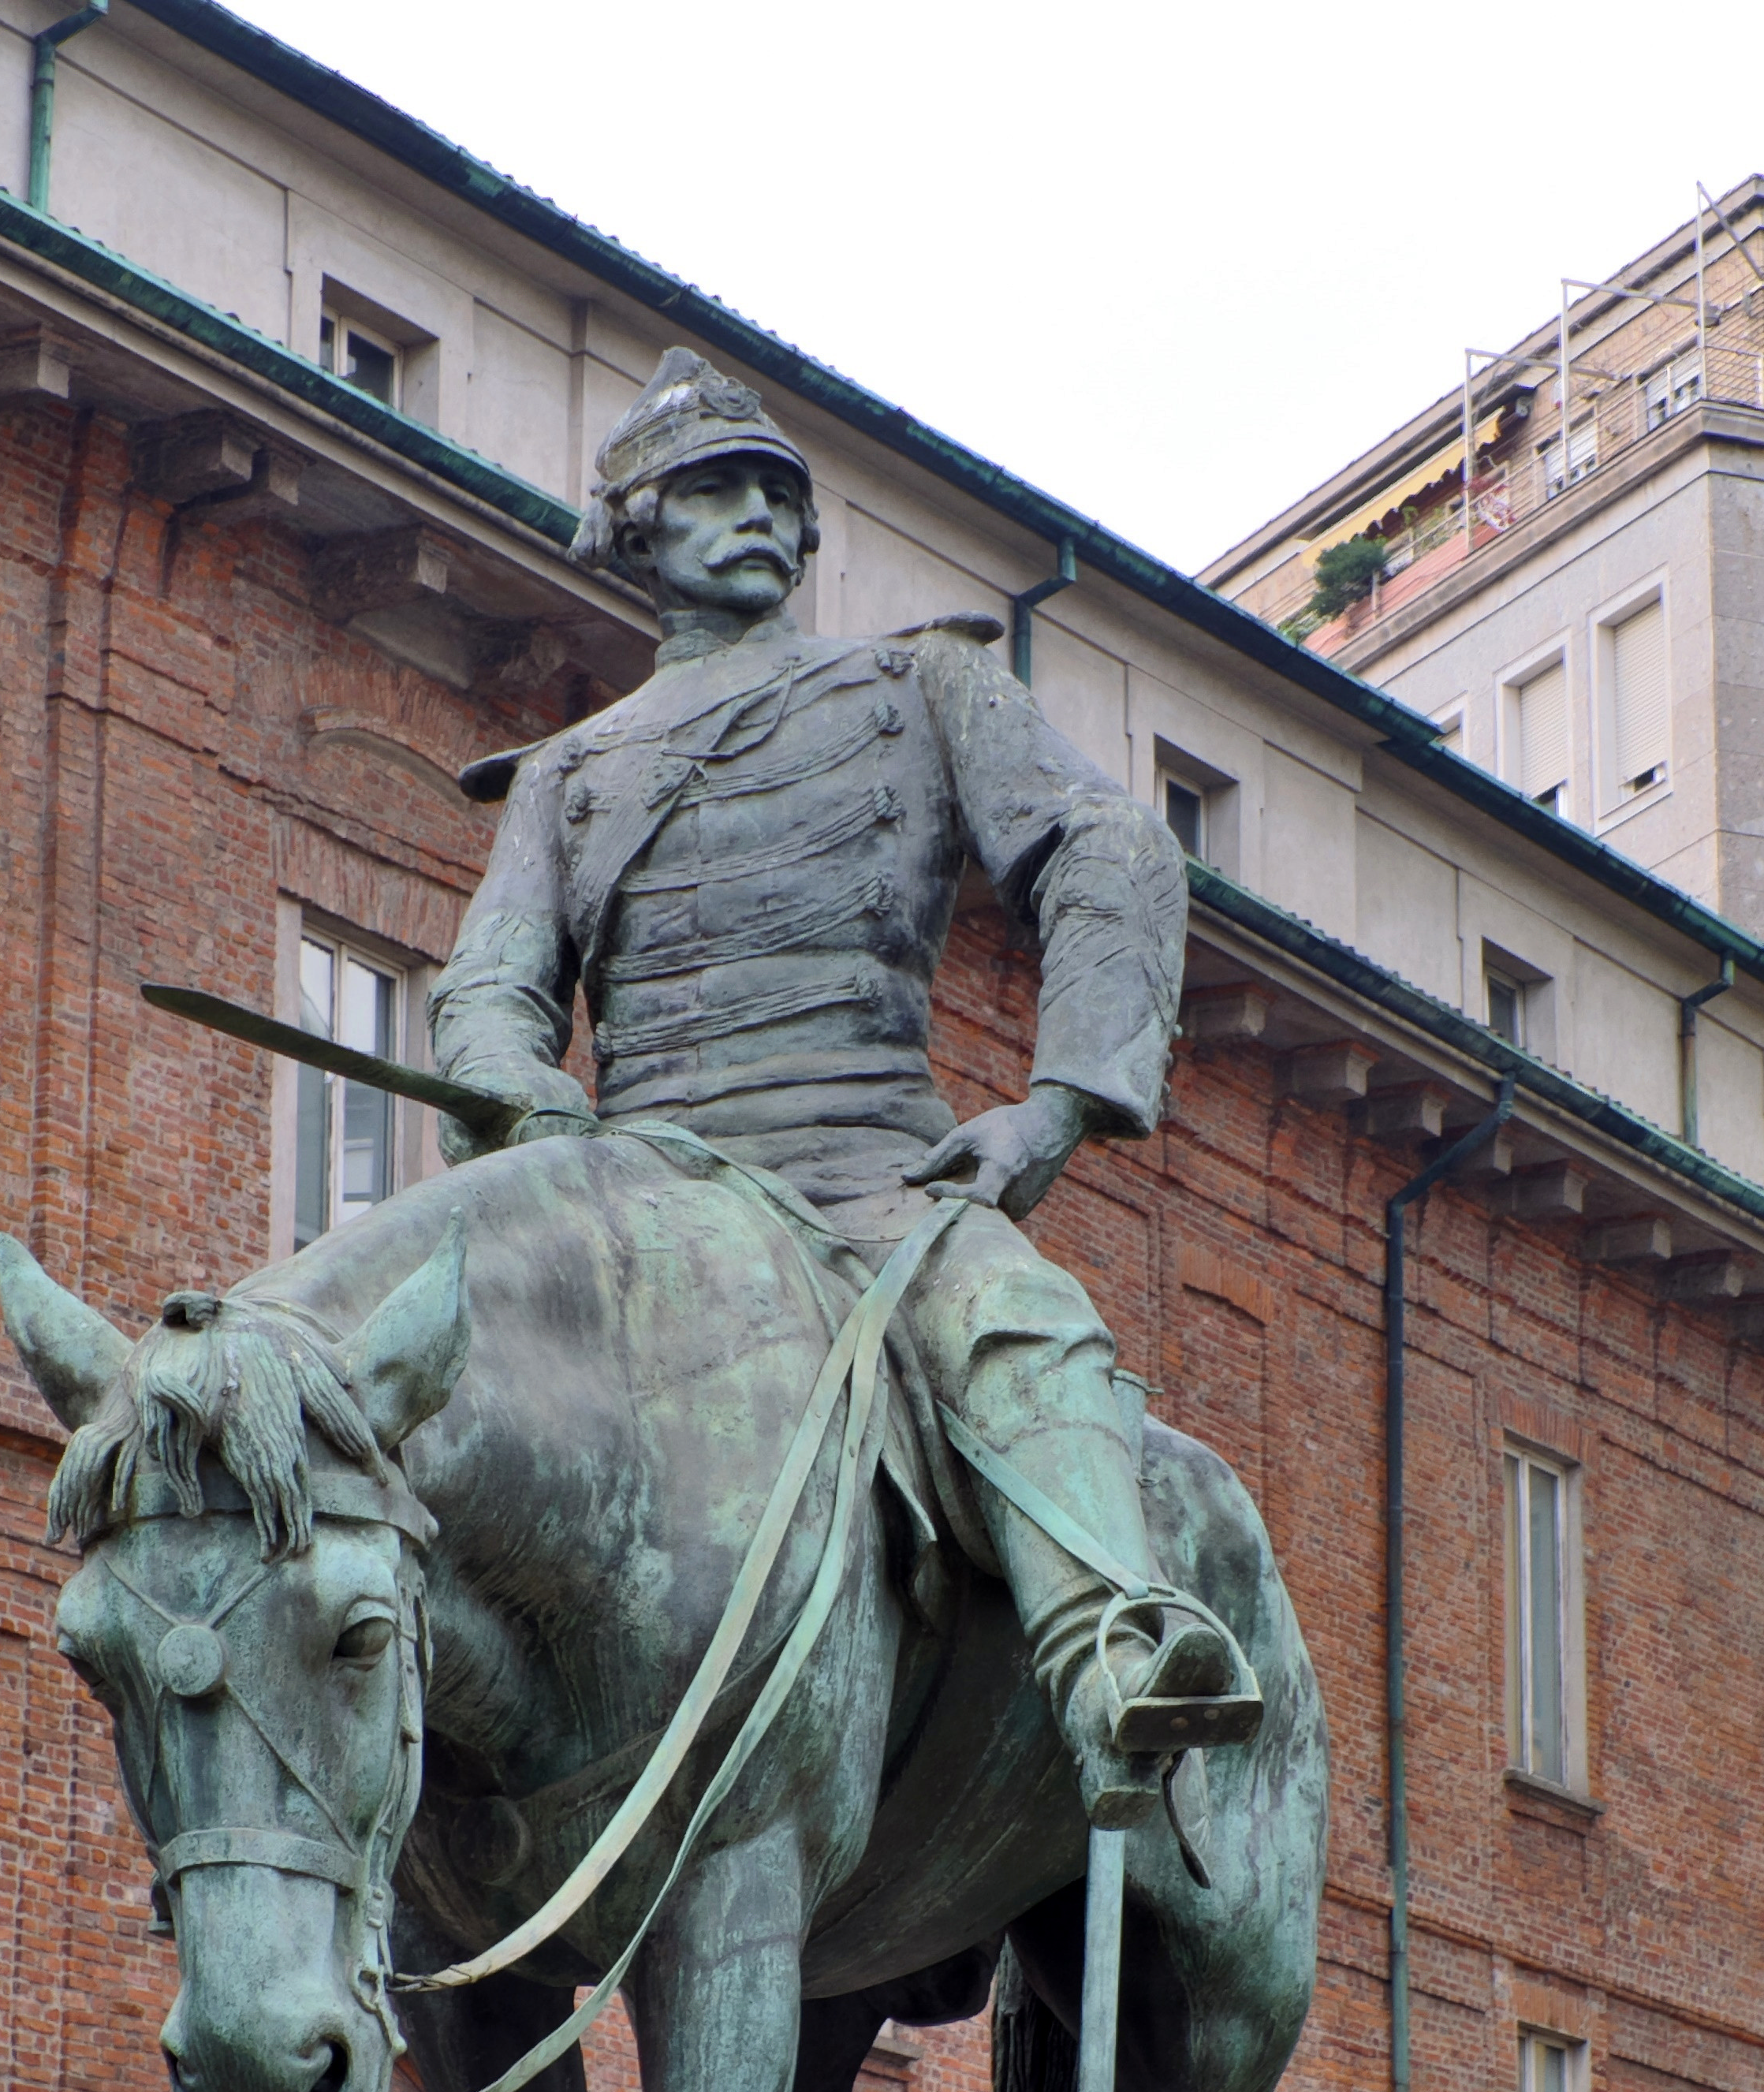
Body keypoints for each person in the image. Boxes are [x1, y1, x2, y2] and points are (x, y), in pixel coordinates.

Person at [431, 348, 1257, 1830]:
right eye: (710, 489)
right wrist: (507, 1081)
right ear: (633, 527)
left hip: (863, 1173)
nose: (754, 512)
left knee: (1017, 1323)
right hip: (640, 1198)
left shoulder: (919, 685)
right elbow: (493, 985)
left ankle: (1113, 1641)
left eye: (776, 493)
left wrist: (1058, 1100)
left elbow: (1109, 851)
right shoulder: (566, 777)